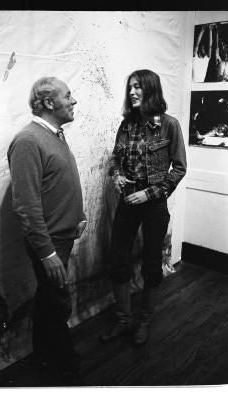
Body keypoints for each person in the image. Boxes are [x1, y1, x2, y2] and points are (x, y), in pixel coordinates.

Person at [7, 77, 87, 385]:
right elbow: (26, 207)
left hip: (61, 236)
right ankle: (62, 369)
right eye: (68, 96)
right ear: (50, 103)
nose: (74, 101)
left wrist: (76, 216)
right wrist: (48, 252)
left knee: (49, 302)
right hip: (50, 243)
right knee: (57, 305)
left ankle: (44, 358)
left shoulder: (54, 135)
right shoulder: (28, 141)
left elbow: (56, 184)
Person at [100, 69, 187, 347]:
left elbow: (179, 168)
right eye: (130, 88)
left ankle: (144, 320)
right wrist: (116, 176)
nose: (132, 92)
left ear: (151, 90)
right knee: (117, 259)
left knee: (151, 263)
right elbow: (115, 158)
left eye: (137, 87)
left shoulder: (169, 125)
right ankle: (124, 319)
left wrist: (148, 194)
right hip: (128, 201)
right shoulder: (126, 125)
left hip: (154, 205)